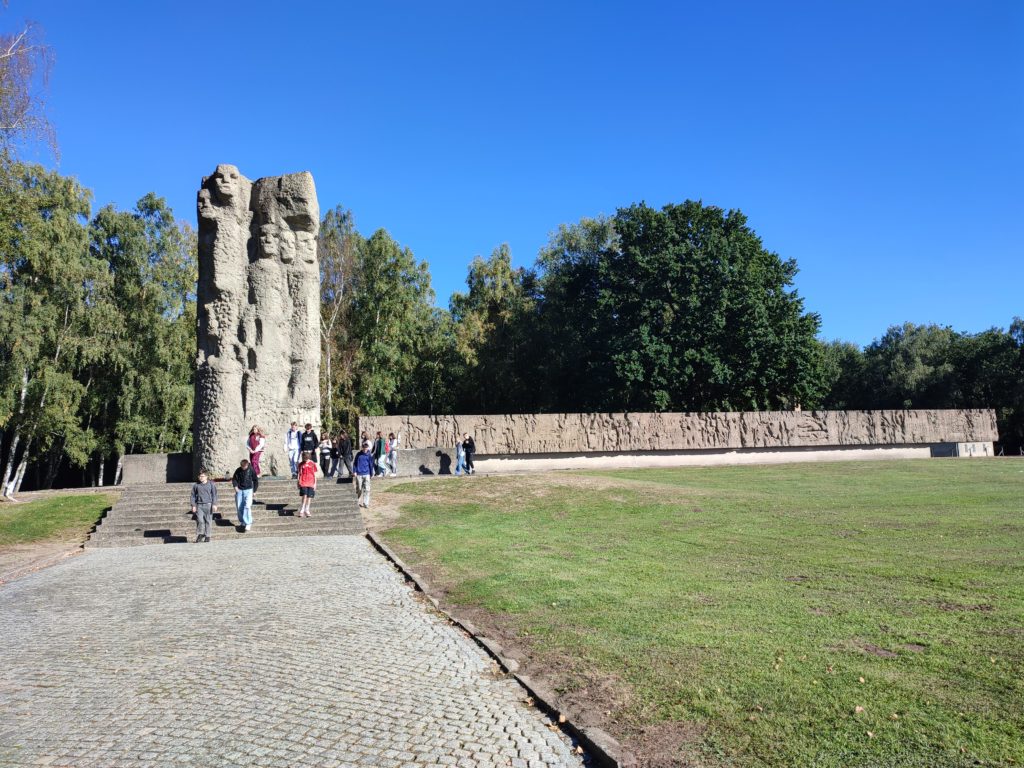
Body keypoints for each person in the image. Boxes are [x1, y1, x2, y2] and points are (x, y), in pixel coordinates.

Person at [189, 468, 218, 543]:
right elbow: (192, 496)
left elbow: (214, 495)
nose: (201, 478)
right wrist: (193, 505)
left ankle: (208, 535)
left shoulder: (211, 484)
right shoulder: (196, 485)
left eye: (202, 476)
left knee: (208, 521)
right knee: (200, 520)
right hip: (199, 505)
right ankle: (200, 534)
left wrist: (214, 504)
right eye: (200, 476)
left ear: (206, 477)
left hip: (208, 505)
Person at [232, 458, 259, 532]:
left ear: (247, 465)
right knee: (239, 507)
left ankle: (248, 522)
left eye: (244, 467)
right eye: (242, 466)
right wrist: (235, 487)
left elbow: (255, 480)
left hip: (249, 490)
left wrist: (254, 490)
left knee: (247, 506)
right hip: (240, 490)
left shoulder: (251, 470)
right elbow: (234, 479)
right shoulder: (238, 470)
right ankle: (242, 521)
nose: (243, 468)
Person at [297, 450, 319, 518]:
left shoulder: (312, 463)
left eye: (306, 458)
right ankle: (302, 509)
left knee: (309, 497)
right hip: (303, 482)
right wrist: (298, 482)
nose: (305, 460)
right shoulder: (301, 464)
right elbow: (299, 474)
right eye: (304, 458)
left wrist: (315, 483)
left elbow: (314, 474)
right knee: (304, 495)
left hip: (311, 482)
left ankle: (307, 509)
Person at [353, 440, 374, 507]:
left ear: (368, 448)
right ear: (362, 448)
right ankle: (358, 500)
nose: (365, 449)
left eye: (366, 447)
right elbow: (355, 464)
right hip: (359, 473)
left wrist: (371, 473)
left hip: (367, 473)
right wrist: (354, 471)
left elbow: (371, 464)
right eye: (364, 447)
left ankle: (366, 503)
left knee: (367, 489)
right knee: (359, 488)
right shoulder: (358, 455)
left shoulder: (369, 455)